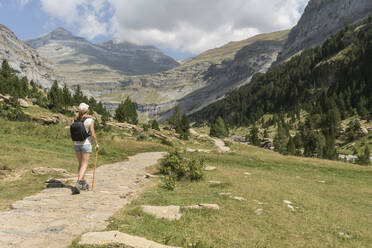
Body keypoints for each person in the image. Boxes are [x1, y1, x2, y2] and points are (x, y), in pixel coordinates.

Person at [73, 103, 99, 190]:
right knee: (84, 164)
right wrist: (96, 144)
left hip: (76, 144)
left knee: (80, 164)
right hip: (86, 144)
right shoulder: (90, 120)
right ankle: (79, 182)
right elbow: (92, 134)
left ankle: (82, 183)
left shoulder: (74, 120)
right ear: (86, 110)